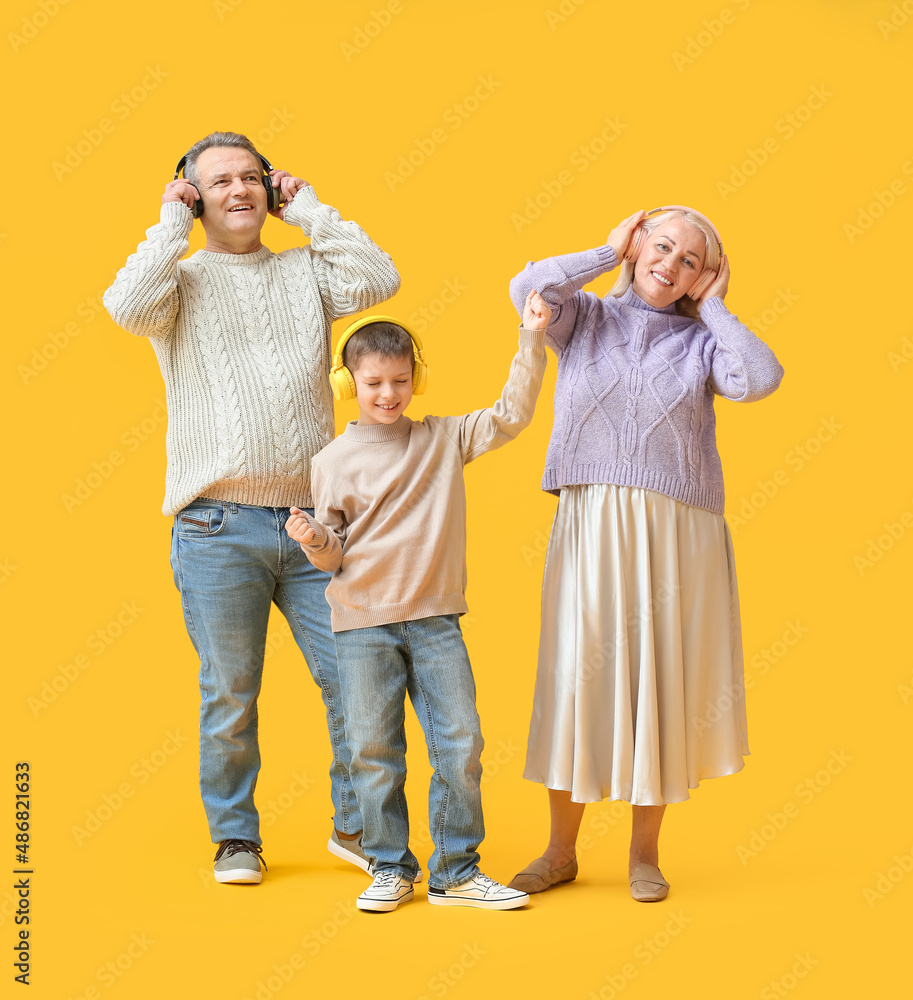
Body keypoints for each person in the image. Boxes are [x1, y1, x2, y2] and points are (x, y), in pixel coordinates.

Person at [103, 131, 401, 884]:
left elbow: (378, 277)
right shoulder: (180, 282)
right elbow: (124, 306)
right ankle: (236, 837)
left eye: (252, 177)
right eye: (219, 181)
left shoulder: (305, 271)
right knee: (230, 692)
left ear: (270, 189)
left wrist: (312, 210)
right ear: (193, 195)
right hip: (216, 526)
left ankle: (353, 825)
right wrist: (167, 226)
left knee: (356, 679)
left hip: (314, 526)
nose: (239, 190)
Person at [506, 206, 784, 902]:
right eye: (662, 247)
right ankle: (559, 852)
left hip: (675, 533)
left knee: (657, 683)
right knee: (577, 679)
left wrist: (714, 308)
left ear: (704, 277)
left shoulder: (701, 344)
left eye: (691, 260)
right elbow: (527, 290)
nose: (671, 265)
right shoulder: (587, 317)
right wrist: (604, 252)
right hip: (592, 520)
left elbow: (760, 377)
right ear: (636, 245)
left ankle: (644, 856)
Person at [285, 291, 550, 911]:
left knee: (461, 746)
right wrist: (315, 540)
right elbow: (332, 553)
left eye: (400, 380)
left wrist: (532, 338)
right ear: (349, 384)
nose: (388, 394)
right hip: (361, 627)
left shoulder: (444, 438)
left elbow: (511, 414)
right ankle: (389, 866)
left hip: (434, 622)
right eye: (374, 382)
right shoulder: (331, 461)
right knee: (374, 753)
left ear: (417, 379)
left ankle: (457, 871)